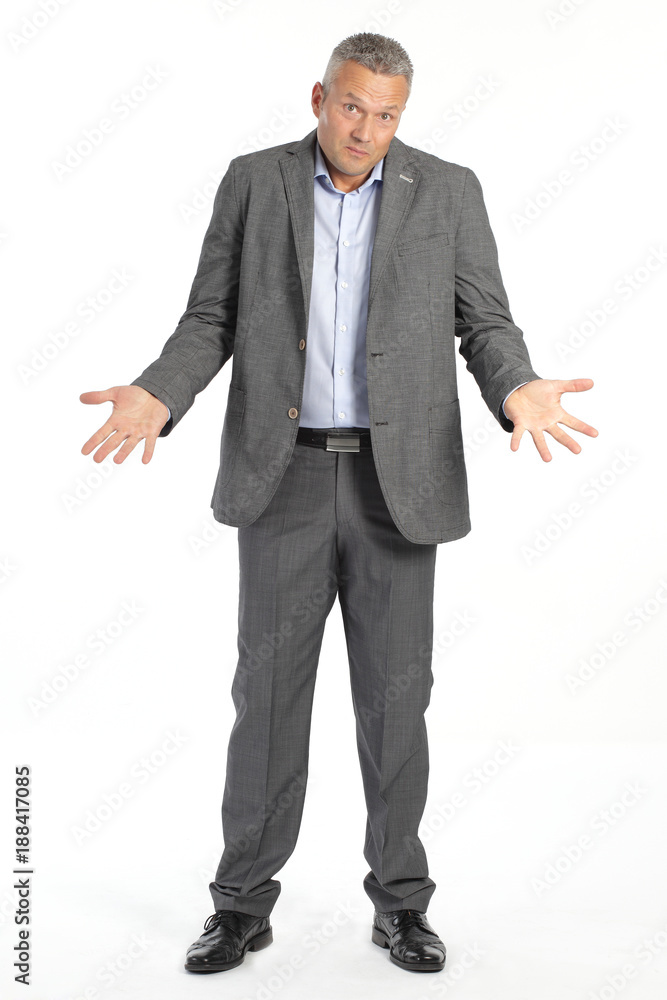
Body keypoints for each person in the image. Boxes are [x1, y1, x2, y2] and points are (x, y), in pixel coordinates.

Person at [80, 33, 597, 975]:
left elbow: (483, 321)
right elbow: (211, 315)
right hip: (283, 476)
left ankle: (401, 905)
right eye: (352, 106)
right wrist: (160, 391)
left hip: (397, 486)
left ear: (403, 115)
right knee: (267, 699)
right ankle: (241, 906)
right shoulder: (254, 181)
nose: (365, 129)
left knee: (396, 705)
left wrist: (515, 385)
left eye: (386, 114)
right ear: (320, 97)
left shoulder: (448, 191)